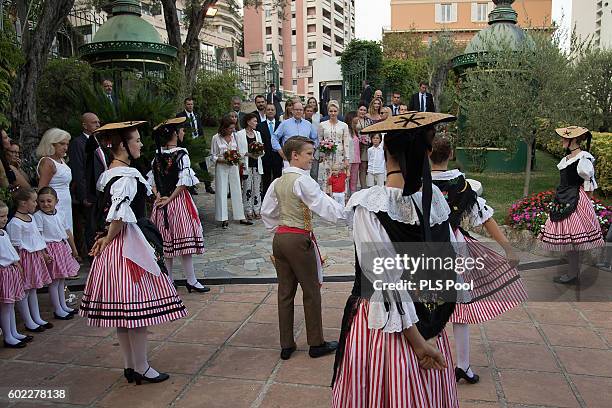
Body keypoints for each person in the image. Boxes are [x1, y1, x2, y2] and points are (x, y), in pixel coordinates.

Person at [332, 112, 459, 407]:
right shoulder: (436, 201)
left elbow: (385, 284)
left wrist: (418, 345)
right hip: (430, 321)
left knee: (388, 393)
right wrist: (431, 332)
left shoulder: (369, 205)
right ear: (426, 153)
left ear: (385, 151)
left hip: (389, 331)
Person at [80, 121, 187, 385]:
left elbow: (108, 212)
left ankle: (130, 365)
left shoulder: (110, 173)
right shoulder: (126, 176)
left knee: (124, 312)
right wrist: (108, 238)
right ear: (122, 146)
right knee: (136, 311)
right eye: (136, 140)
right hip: (128, 247)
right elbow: (119, 213)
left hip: (117, 246)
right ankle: (141, 366)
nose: (140, 144)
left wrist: (105, 236)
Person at [430, 135, 527, 384]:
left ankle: (428, 363)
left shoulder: (416, 183)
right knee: (459, 309)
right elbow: (484, 217)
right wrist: (508, 249)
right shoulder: (462, 186)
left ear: (426, 153)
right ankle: (462, 365)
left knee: (426, 305)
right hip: (455, 246)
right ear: (450, 154)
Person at [261, 136, 346, 361]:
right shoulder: (303, 180)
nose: (312, 158)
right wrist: (347, 214)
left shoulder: (277, 182)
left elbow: (266, 212)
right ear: (294, 155)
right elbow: (323, 204)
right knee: (311, 291)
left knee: (285, 292)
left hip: (280, 239)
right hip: (299, 239)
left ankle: (286, 344)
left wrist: (277, 230)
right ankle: (316, 343)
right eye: (309, 153)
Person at [539, 126, 605, 284]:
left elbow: (589, 183)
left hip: (576, 199)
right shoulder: (566, 159)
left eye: (565, 138)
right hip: (562, 199)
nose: (562, 140)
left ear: (574, 140)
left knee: (575, 239)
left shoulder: (583, 158)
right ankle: (573, 272)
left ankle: (573, 273)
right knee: (570, 240)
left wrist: (587, 204)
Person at [149, 118, 208, 293]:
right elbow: (183, 182)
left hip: (162, 204)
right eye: (181, 131)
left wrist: (159, 196)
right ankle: (190, 280)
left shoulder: (157, 156)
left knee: (166, 244)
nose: (183, 133)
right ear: (174, 134)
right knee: (183, 243)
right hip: (178, 202)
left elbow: (152, 182)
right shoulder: (181, 154)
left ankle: (170, 281)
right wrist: (168, 198)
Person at [7, 188, 53, 333]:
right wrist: (18, 264)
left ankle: (36, 318)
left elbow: (36, 238)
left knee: (33, 289)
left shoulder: (31, 218)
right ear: (23, 203)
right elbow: (15, 246)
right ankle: (28, 321)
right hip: (24, 258)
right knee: (25, 290)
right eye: (33, 201)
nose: (36, 204)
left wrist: (43, 253)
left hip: (34, 257)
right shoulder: (14, 223)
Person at [33, 187, 80, 320]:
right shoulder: (38, 217)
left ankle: (63, 305)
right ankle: (57, 309)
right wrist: (44, 253)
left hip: (61, 247)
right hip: (50, 249)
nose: (46, 204)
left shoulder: (60, 213)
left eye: (49, 201)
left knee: (61, 279)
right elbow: (39, 236)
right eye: (42, 201)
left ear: (56, 201)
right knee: (54, 281)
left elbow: (67, 231)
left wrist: (73, 248)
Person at [69, 112, 101, 258]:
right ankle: (92, 255)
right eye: (94, 122)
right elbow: (79, 170)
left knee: (98, 223)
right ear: (85, 125)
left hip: (100, 190)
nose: (98, 125)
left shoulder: (97, 141)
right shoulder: (78, 143)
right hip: (89, 192)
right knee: (91, 225)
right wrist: (84, 196)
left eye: (98, 122)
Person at [211, 115, 250, 229]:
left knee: (237, 189)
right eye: (230, 128)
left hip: (233, 165)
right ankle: (223, 218)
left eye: (233, 128)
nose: (232, 130)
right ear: (224, 128)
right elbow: (213, 155)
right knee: (222, 190)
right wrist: (222, 160)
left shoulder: (235, 136)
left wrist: (237, 159)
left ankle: (240, 216)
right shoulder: (216, 138)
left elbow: (238, 151)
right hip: (221, 166)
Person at [0, 200, 30, 348]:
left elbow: (11, 252)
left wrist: (17, 264)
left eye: (5, 216)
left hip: (11, 272)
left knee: (11, 304)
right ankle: (8, 336)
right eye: (1, 217)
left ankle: (13, 332)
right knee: (5, 306)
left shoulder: (4, 233)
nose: (4, 219)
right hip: (3, 273)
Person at [36, 128, 74, 232]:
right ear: (51, 144)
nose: (65, 147)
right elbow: (42, 189)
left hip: (64, 203)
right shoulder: (48, 162)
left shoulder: (60, 160)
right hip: (54, 205)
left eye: (67, 144)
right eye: (62, 144)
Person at [236, 113, 265, 220]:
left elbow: (262, 149)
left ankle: (257, 208)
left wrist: (258, 153)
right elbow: (238, 150)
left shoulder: (257, 134)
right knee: (247, 188)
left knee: (257, 187)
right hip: (247, 164)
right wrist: (248, 154)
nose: (256, 123)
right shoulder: (240, 134)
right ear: (248, 122)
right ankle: (248, 209)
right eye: (254, 121)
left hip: (257, 164)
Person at [272, 102, 318, 167]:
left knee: (304, 177)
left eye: (300, 110)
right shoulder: (285, 124)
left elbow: (315, 138)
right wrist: (280, 151)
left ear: (303, 111)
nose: (298, 111)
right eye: (296, 110)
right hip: (289, 159)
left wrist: (312, 150)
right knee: (290, 176)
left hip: (305, 159)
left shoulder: (308, 124)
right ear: (292, 111)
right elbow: (274, 137)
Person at [318, 100, 350, 191]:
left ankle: (340, 196)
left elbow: (346, 143)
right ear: (328, 112)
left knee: (339, 175)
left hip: (340, 155)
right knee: (327, 175)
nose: (333, 113)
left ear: (338, 112)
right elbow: (320, 140)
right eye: (331, 111)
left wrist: (347, 158)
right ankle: (327, 195)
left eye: (335, 111)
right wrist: (321, 153)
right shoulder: (322, 125)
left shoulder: (344, 125)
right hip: (327, 155)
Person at [258, 104, 283, 197]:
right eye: (268, 109)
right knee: (266, 180)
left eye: (272, 109)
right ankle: (265, 199)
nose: (270, 111)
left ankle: (278, 198)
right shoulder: (260, 126)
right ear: (265, 112)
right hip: (266, 157)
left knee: (278, 179)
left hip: (278, 156)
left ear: (275, 111)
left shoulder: (280, 124)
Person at [355, 102, 371, 190]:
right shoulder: (354, 120)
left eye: (364, 110)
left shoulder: (368, 121)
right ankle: (353, 187)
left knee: (363, 167)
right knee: (355, 167)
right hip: (355, 146)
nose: (362, 112)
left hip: (365, 146)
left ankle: (363, 187)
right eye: (361, 109)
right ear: (358, 110)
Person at [346, 113, 361, 196]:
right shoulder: (346, 130)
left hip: (356, 158)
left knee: (354, 179)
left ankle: (353, 196)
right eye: (354, 122)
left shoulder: (355, 131)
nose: (356, 124)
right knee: (347, 178)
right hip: (349, 158)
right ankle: (346, 195)